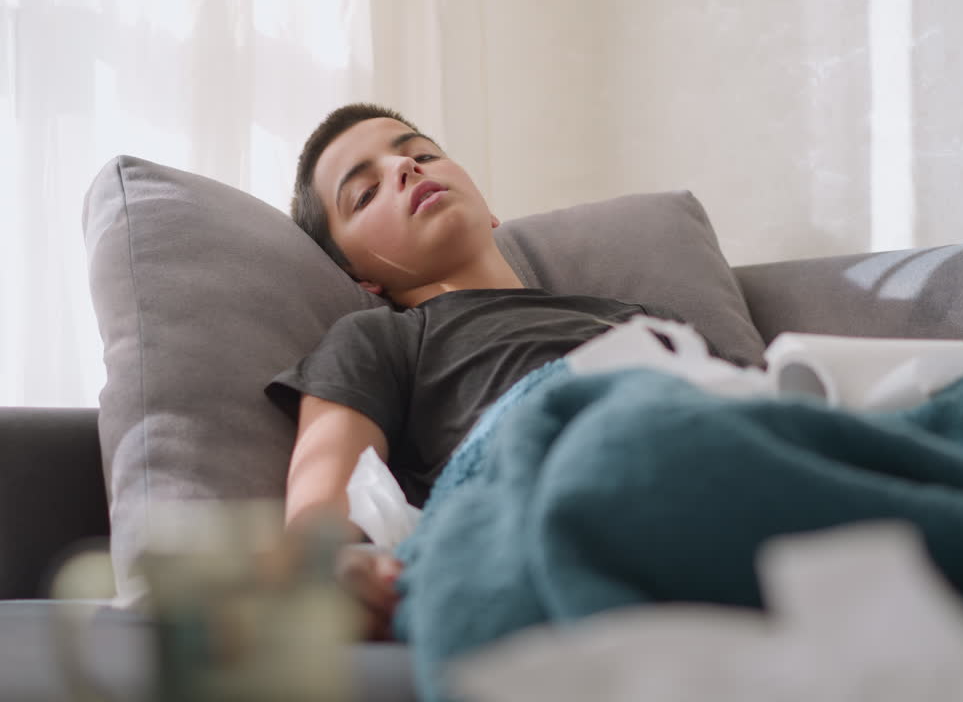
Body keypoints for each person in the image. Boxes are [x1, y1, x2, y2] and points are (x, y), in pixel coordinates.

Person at [265, 103, 703, 639]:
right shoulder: (382, 339)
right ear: (359, 276)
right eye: (366, 193)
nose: (406, 170)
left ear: (488, 208)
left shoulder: (637, 317)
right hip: (549, 474)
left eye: (421, 154)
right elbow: (318, 519)